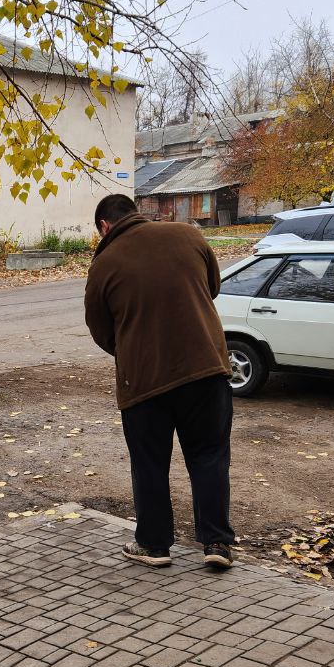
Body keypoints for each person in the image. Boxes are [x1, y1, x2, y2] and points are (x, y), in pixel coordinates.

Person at [83, 194, 235, 570]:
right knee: (209, 457)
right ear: (135, 213)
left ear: (105, 227)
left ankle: (154, 546)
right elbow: (211, 287)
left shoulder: (104, 264)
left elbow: (100, 330)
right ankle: (217, 543)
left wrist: (132, 347)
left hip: (145, 382)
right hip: (205, 370)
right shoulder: (189, 236)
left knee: (150, 463)